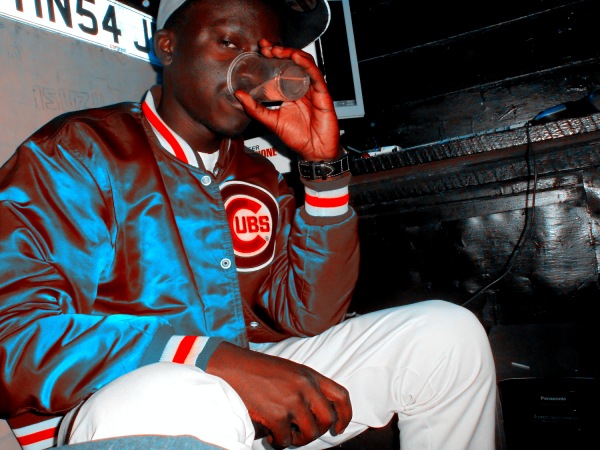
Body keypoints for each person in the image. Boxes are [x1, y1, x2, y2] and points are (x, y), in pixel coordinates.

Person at [0, 1, 497, 449]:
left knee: (445, 336)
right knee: (179, 392)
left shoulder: (256, 173)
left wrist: (322, 171)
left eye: (263, 55)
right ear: (168, 47)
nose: (248, 73)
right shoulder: (79, 152)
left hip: (243, 383)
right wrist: (207, 359)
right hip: (115, 406)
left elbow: (307, 318)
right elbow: (14, 335)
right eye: (228, 43)